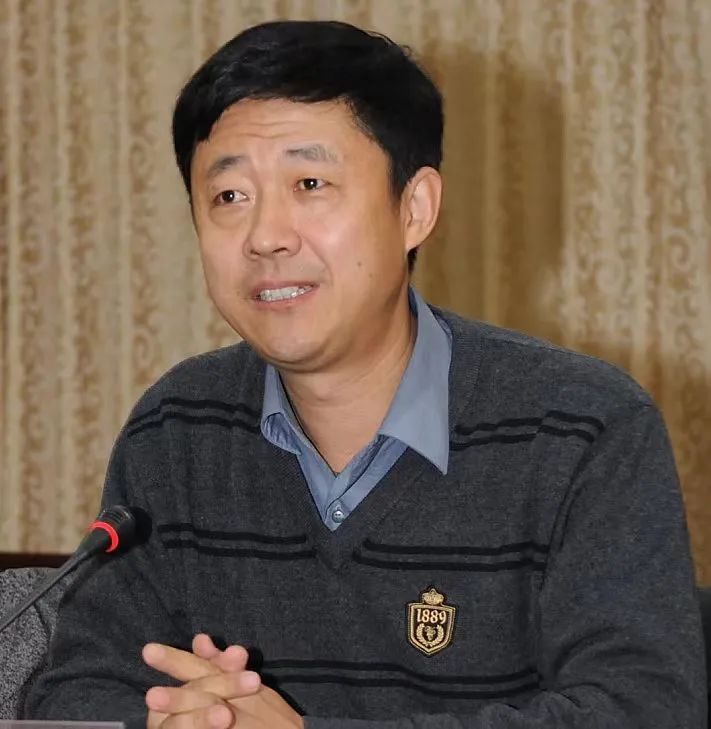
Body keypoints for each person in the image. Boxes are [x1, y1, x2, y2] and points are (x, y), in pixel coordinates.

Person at [25, 19, 706, 729]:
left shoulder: (582, 425)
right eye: (229, 197)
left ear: (414, 208)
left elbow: (643, 710)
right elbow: (73, 694)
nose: (266, 236)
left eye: (309, 183)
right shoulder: (176, 429)